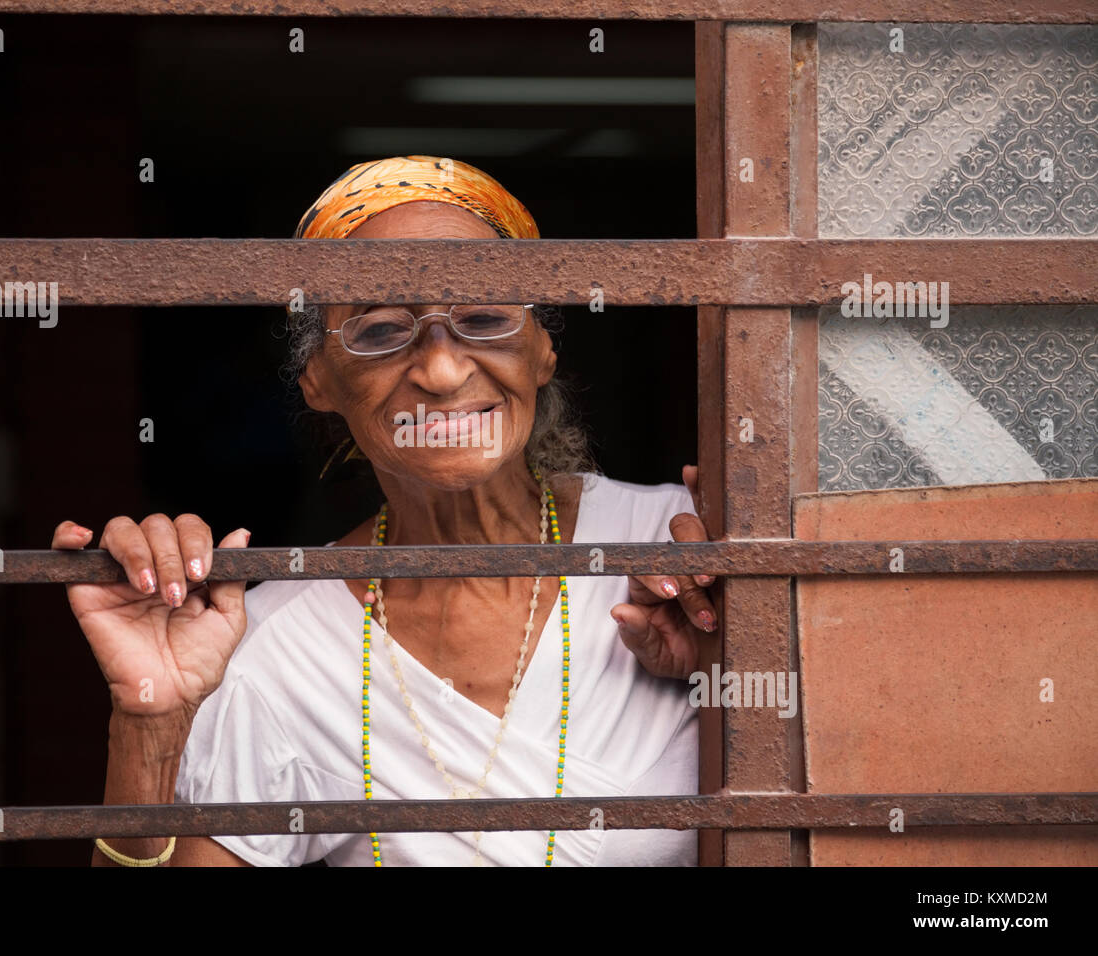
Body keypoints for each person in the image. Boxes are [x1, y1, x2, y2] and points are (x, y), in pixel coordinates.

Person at [53, 156, 720, 867]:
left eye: (486, 317)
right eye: (378, 331)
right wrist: (148, 722)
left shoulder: (679, 558)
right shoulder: (281, 652)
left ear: (542, 349)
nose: (441, 371)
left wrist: (725, 666)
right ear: (317, 380)